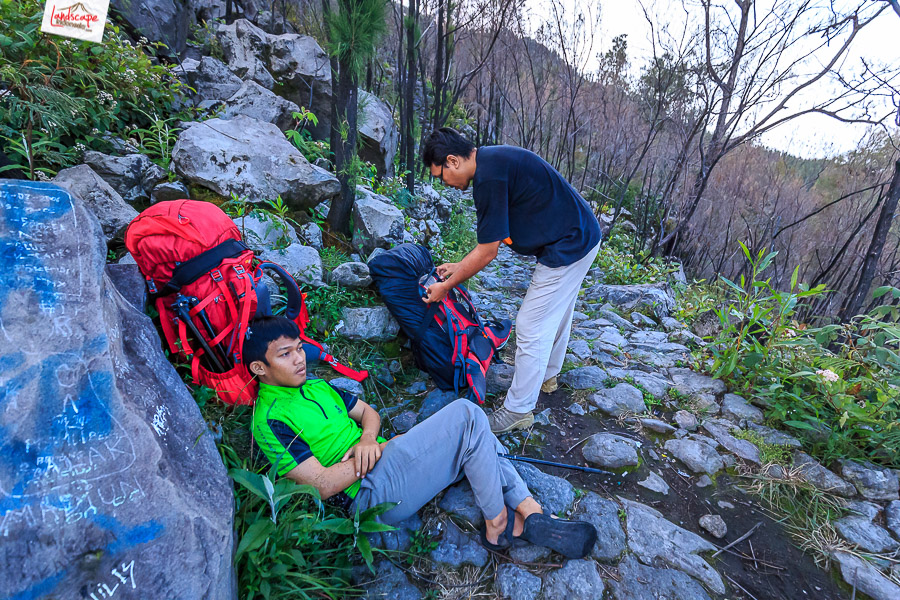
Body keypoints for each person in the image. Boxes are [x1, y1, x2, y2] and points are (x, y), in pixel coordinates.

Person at [246, 315, 597, 557]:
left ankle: (525, 514)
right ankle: (499, 522)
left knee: (475, 438)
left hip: (382, 460)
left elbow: (368, 413)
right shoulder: (269, 419)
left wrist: (369, 440)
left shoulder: (318, 386)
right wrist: (370, 456)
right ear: (259, 368)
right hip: (365, 496)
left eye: (299, 348)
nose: (299, 359)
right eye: (285, 354)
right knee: (468, 416)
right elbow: (319, 484)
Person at [421, 128, 603, 433]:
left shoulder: (489, 178)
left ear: (452, 161)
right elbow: (492, 240)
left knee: (532, 325)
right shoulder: (491, 163)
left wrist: (445, 287)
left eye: (440, 176)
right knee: (557, 313)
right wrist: (458, 266)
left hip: (570, 243)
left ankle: (518, 410)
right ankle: (547, 375)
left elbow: (488, 251)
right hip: (582, 233)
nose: (445, 184)